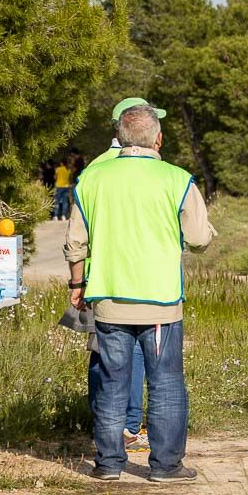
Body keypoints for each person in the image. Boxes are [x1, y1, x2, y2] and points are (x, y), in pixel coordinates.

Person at [65, 103, 215, 481]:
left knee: (113, 383)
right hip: (161, 303)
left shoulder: (93, 179)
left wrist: (77, 284)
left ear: (119, 138)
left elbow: (75, 242)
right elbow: (198, 239)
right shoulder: (178, 179)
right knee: (165, 384)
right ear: (158, 138)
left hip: (109, 299)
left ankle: (108, 464)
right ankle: (166, 465)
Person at [84, 97, 170, 454]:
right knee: (129, 355)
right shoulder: (129, 167)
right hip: (126, 276)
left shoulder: (95, 167)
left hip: (98, 276)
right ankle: (126, 426)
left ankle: (108, 425)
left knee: (102, 354)